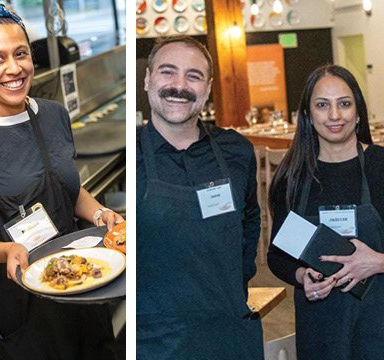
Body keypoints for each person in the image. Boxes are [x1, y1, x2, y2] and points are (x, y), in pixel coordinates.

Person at [0, 2, 123, 359]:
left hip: (82, 284)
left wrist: (99, 213)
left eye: (21, 54)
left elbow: (67, 188)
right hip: (23, 307)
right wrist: (6, 250)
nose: (14, 68)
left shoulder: (54, 114)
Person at [268, 65, 384, 359]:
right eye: (322, 105)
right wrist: (301, 274)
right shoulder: (292, 177)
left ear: (358, 112)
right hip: (321, 330)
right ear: (307, 115)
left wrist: (383, 261)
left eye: (344, 104)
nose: (335, 115)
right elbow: (277, 255)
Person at [136, 35, 262, 359]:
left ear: (207, 89)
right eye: (168, 72)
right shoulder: (130, 156)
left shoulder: (237, 150)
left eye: (193, 76)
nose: (179, 86)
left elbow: (249, 223)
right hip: (156, 340)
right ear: (147, 80)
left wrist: (235, 287)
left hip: (228, 331)